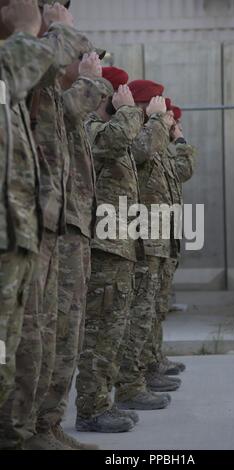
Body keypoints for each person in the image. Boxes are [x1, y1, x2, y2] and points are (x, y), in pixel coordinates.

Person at [0, 0, 100, 451]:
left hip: (40, 225)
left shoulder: (37, 89)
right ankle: (22, 432)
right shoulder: (19, 75)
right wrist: (47, 34)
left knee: (46, 334)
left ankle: (39, 428)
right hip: (32, 229)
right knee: (25, 341)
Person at [75, 70, 145, 433]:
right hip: (102, 249)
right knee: (99, 333)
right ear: (110, 97)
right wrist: (129, 112)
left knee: (113, 332)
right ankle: (90, 409)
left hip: (119, 248)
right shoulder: (93, 129)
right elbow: (115, 140)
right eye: (121, 94)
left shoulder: (112, 133)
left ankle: (104, 402)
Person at [115, 80, 180, 411]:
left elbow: (182, 170)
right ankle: (130, 383)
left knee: (149, 313)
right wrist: (155, 123)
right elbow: (138, 152)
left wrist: (175, 136)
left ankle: (142, 374)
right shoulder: (133, 137)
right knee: (137, 315)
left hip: (155, 240)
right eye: (156, 108)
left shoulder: (153, 140)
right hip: (138, 240)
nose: (166, 118)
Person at [144, 102, 196, 378]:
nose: (173, 126)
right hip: (148, 239)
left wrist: (181, 140)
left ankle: (154, 358)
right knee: (146, 309)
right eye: (170, 121)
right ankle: (143, 369)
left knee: (158, 306)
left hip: (165, 239)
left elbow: (184, 170)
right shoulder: (147, 146)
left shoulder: (163, 151)